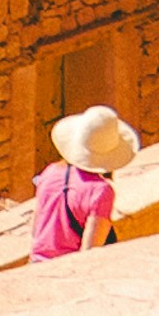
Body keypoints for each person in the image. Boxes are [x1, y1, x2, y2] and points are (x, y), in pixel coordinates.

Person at [31, 101, 139, 260]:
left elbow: (36, 230)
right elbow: (89, 253)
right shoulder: (100, 192)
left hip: (36, 266)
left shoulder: (50, 172)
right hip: (64, 269)